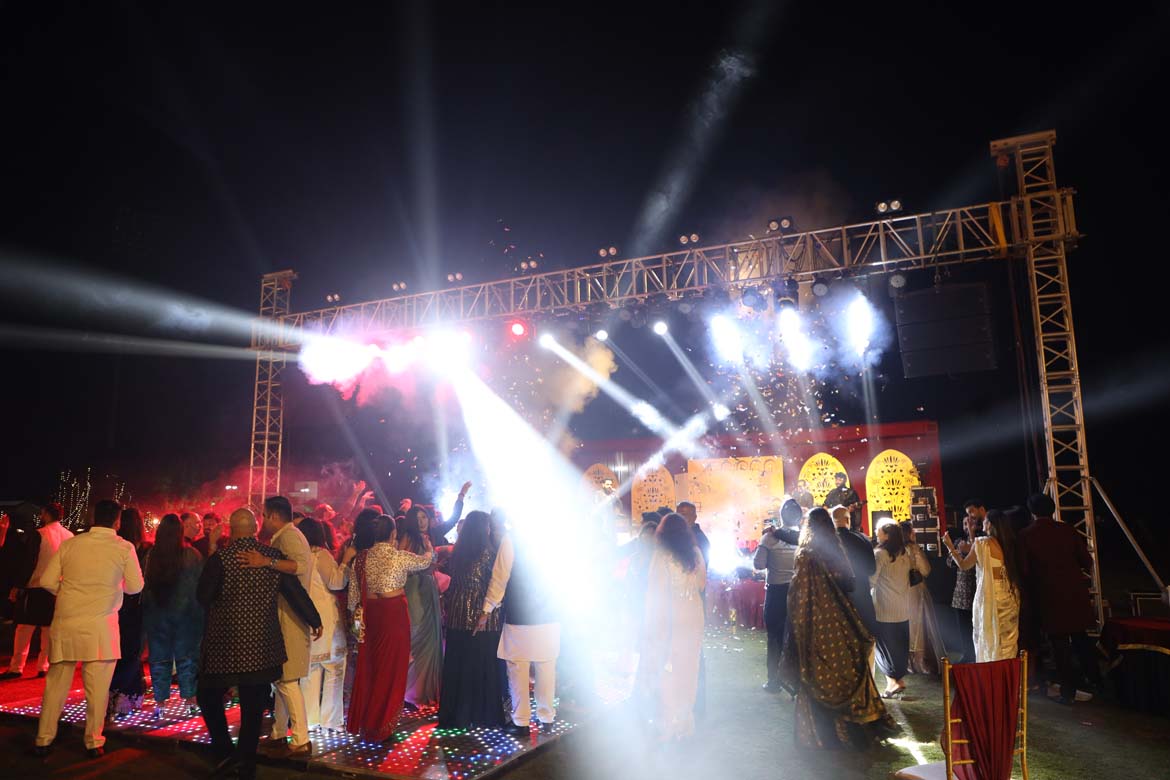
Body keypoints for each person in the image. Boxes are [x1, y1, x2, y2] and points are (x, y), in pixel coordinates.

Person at [196, 508, 321, 780]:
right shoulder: (271, 557)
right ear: (255, 529)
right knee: (253, 708)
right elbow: (294, 591)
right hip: (262, 648)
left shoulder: (220, 559)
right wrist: (314, 619)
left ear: (231, 530)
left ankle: (225, 751)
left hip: (224, 646)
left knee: (207, 695)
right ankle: (246, 761)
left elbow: (203, 596)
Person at [33, 499, 144, 759]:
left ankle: (43, 739)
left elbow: (47, 580)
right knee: (97, 690)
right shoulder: (123, 547)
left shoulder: (71, 544)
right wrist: (113, 588)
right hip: (101, 627)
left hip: (66, 623)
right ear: (117, 521)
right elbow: (135, 587)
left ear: (93, 518)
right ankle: (93, 742)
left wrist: (68, 593)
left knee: (55, 686)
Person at [779, 507, 896, 749]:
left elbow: (798, 596)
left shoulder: (805, 555)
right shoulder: (835, 551)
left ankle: (826, 736)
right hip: (841, 623)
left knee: (817, 675)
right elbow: (850, 583)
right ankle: (855, 731)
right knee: (845, 671)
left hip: (814, 626)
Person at [346, 515, 434, 742]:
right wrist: (429, 549)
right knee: (392, 670)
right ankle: (382, 726)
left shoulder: (360, 559)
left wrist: (356, 631)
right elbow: (425, 562)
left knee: (372, 668)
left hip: (371, 618)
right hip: (394, 616)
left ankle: (369, 723)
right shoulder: (398, 556)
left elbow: (353, 601)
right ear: (393, 534)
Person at [238, 495, 314, 757]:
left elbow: (299, 566)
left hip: (290, 616)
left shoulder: (289, 536)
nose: (262, 521)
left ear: (273, 516)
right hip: (285, 615)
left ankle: (301, 739)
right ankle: (279, 733)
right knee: (281, 678)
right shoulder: (285, 536)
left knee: (287, 679)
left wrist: (265, 562)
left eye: (263, 515)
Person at [1017, 493, 1103, 704]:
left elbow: (1024, 570)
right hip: (1075, 594)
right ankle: (1097, 681)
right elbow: (1087, 561)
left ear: (1032, 512)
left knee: (1060, 645)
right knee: (1082, 640)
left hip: (1049, 597)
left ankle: (1068, 692)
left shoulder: (1026, 535)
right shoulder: (1068, 530)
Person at [476, 525, 560, 736]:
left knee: (518, 670)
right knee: (546, 667)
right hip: (549, 615)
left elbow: (499, 578)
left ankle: (521, 722)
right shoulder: (554, 535)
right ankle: (547, 718)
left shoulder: (512, 539)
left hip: (520, 615)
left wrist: (487, 609)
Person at [640, 513, 707, 741]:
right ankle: (684, 721)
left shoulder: (662, 556)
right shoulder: (696, 554)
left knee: (668, 668)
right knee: (689, 669)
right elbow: (701, 585)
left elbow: (656, 593)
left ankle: (668, 723)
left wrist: (650, 625)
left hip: (671, 618)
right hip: (694, 616)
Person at [438, 510, 505, 729]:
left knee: (457, 666)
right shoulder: (489, 553)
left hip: (457, 614)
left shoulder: (458, 552)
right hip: (482, 617)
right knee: (482, 667)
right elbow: (495, 584)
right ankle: (481, 715)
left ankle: (456, 715)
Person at [142, 514, 204, 717]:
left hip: (157, 616)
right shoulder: (191, 555)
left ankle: (160, 703)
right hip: (186, 616)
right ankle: (190, 700)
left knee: (159, 659)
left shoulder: (151, 555)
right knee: (187, 659)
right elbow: (199, 587)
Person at [3, 502, 72, 681]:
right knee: (48, 630)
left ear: (46, 514)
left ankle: (17, 667)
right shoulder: (69, 536)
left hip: (36, 586)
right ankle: (43, 666)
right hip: (58, 589)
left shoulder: (39, 534)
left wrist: (18, 586)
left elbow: (29, 562)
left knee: (24, 628)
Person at [943, 509, 1021, 662]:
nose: (982, 523)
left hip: (991, 597)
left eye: (985, 520)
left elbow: (964, 565)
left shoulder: (983, 543)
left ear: (989, 524)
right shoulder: (1008, 543)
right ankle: (1006, 671)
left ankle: (991, 671)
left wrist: (950, 547)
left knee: (989, 637)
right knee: (1005, 642)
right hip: (1008, 596)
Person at [298, 517, 348, 732]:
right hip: (326, 619)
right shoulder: (321, 554)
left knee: (310, 671)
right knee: (334, 668)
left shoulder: (298, 556)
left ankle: (309, 720)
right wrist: (345, 563)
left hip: (306, 618)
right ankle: (331, 720)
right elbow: (335, 582)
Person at [108, 507, 152, 719]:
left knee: (118, 650)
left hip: (115, 604)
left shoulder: (115, 547)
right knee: (132, 651)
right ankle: (125, 693)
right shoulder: (146, 549)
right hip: (138, 606)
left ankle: (124, 692)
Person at [398, 505, 444, 708]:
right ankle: (410, 693)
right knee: (417, 637)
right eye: (417, 518)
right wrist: (422, 561)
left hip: (429, 589)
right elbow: (400, 563)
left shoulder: (429, 538)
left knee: (432, 640)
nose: (421, 521)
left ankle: (425, 691)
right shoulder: (409, 537)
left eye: (424, 517)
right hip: (414, 588)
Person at [754, 499, 799, 691]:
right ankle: (796, 682)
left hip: (776, 592)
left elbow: (758, 564)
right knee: (796, 637)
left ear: (781, 516)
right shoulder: (804, 537)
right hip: (797, 593)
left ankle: (774, 681)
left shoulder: (769, 538)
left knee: (774, 638)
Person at [870, 521, 912, 697]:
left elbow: (871, 580)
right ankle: (896, 682)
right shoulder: (904, 553)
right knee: (899, 647)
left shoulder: (880, 554)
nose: (875, 531)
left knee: (884, 647)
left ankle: (894, 683)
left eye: (878, 530)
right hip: (903, 607)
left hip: (884, 608)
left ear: (887, 535)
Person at [831, 505, 878, 634]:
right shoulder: (863, 539)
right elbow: (872, 569)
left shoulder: (827, 541)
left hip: (838, 600)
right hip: (862, 596)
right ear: (848, 520)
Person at [947, 501, 984, 663]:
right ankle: (967, 654)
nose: (967, 525)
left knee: (978, 626)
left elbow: (978, 560)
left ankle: (978, 655)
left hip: (977, 590)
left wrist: (969, 540)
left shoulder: (981, 541)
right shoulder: (959, 542)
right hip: (961, 593)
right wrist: (959, 552)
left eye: (970, 522)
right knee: (963, 627)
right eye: (964, 524)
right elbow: (950, 562)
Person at [900, 520, 937, 674]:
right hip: (915, 590)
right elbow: (926, 569)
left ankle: (908, 662)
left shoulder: (894, 550)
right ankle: (920, 661)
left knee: (906, 625)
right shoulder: (914, 548)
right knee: (918, 624)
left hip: (900, 592)